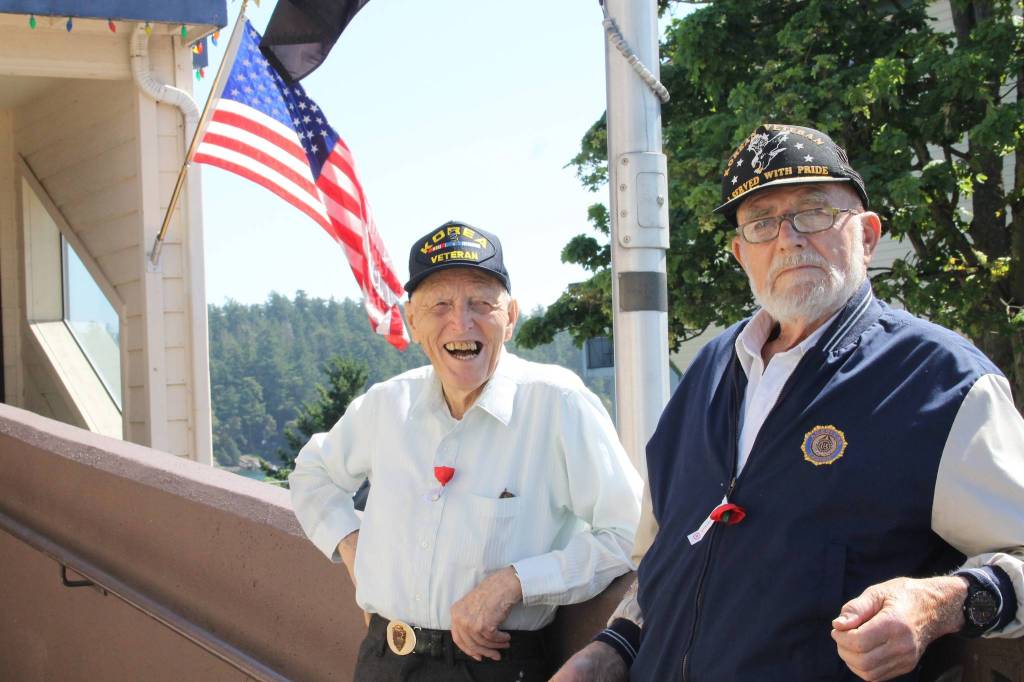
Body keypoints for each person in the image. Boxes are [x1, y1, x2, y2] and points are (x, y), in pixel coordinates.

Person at [552, 123, 1024, 681]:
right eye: (761, 222)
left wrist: (941, 603)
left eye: (815, 211)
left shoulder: (942, 381)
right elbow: (663, 560)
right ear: (739, 253)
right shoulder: (704, 375)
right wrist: (613, 646)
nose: (789, 237)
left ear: (868, 236)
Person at [289, 220, 642, 681]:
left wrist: (515, 581)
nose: (461, 322)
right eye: (439, 305)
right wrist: (353, 546)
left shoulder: (558, 405)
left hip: (493, 665)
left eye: (481, 302)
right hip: (383, 660)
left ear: (510, 317)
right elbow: (312, 472)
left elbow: (630, 534)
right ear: (412, 321)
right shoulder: (386, 404)